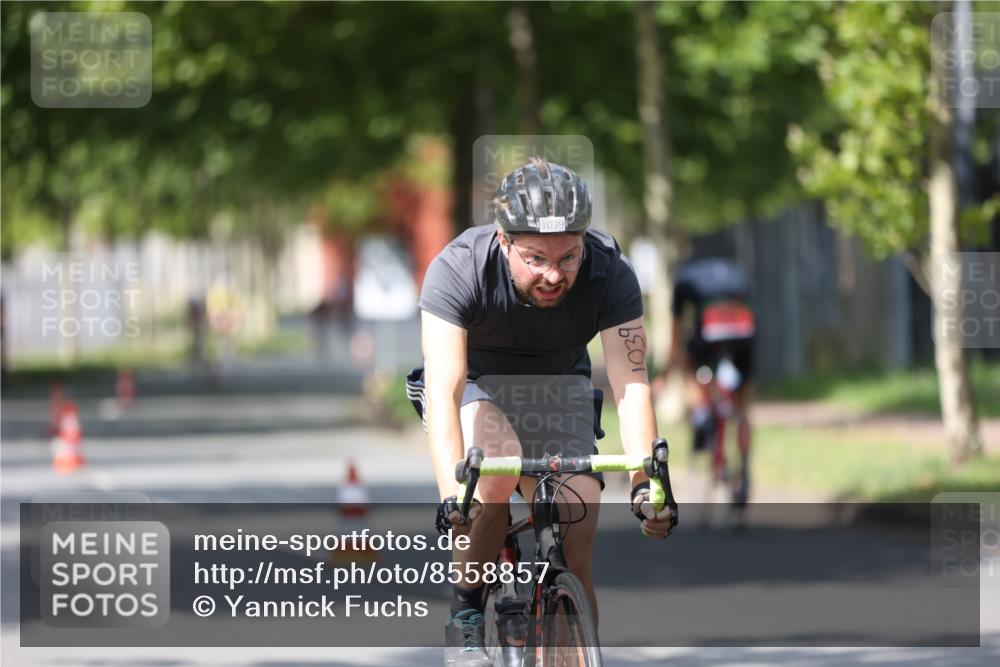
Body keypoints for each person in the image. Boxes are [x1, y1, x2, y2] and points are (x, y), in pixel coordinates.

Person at [406, 157, 673, 666]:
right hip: (474, 382)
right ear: (504, 242)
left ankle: (572, 636)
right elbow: (445, 386)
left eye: (569, 257)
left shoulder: (610, 271)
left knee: (579, 509)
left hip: (557, 385)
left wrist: (646, 481)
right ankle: (465, 616)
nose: (554, 274)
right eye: (535, 258)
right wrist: (451, 497)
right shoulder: (459, 267)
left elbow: (631, 381)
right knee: (497, 469)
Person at [656, 257, 756, 504]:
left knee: (690, 362)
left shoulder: (684, 279)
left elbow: (676, 336)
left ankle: (702, 409)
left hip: (711, 326)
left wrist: (667, 374)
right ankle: (743, 468)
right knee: (743, 405)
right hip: (744, 327)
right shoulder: (735, 271)